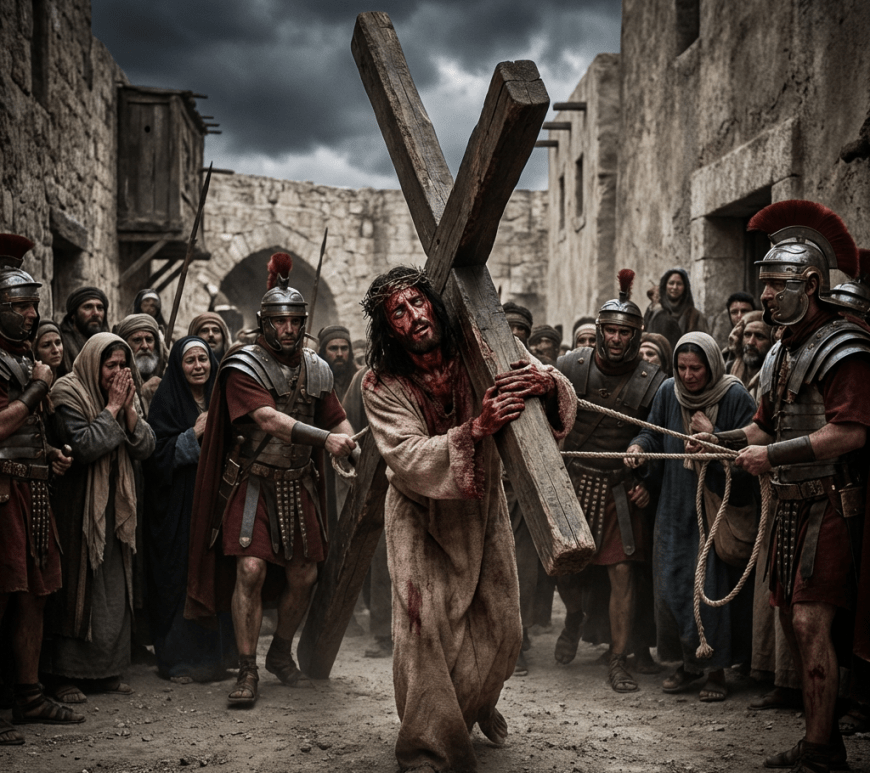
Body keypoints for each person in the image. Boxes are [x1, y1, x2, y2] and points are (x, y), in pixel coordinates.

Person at [360, 266, 577, 772]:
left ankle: (472, 707)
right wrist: (476, 428)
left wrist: (545, 382)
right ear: (388, 328)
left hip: (481, 507)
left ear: (433, 303)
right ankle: (426, 746)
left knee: (503, 627)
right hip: (419, 512)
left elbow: (552, 382)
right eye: (398, 312)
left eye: (417, 302)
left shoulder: (481, 345)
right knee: (424, 629)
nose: (414, 316)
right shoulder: (380, 383)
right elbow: (407, 454)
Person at [700, 201, 870, 772]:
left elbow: (850, 432)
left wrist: (768, 455)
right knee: (794, 624)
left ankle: (821, 750)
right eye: (765, 284)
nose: (766, 295)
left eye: (777, 284)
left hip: (834, 505)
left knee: (811, 623)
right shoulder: (778, 350)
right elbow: (763, 427)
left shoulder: (845, 346)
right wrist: (720, 441)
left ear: (812, 284)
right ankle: (822, 740)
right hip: (792, 507)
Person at [185, 252, 355, 707]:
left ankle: (280, 652)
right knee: (251, 569)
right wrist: (328, 440)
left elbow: (335, 417)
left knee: (304, 574)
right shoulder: (243, 365)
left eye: (296, 321)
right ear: (265, 323)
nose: (289, 329)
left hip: (298, 483)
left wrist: (351, 443)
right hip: (253, 481)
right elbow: (267, 419)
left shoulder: (317, 367)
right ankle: (247, 669)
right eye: (280, 321)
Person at [626, 332, 756, 702]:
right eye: (681, 367)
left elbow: (751, 452)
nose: (688, 375)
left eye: (695, 368)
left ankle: (716, 670)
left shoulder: (735, 396)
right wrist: (638, 447)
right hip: (674, 506)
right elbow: (653, 433)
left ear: (711, 365)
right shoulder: (669, 391)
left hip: (716, 506)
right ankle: (686, 663)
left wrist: (714, 437)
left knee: (710, 588)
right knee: (673, 586)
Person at [556, 270, 666, 691]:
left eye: (625, 332)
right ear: (600, 331)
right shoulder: (570, 366)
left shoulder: (652, 381)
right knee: (564, 570)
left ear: (636, 335)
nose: (617, 339)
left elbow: (657, 434)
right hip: (576, 481)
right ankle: (574, 617)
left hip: (620, 487)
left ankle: (618, 660)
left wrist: (645, 472)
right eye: (610, 330)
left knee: (622, 572)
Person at [42, 333, 155, 704]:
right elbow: (84, 446)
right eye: (111, 365)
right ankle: (63, 675)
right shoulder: (67, 393)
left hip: (113, 509)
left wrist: (129, 410)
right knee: (75, 589)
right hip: (76, 507)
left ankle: (105, 670)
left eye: (124, 365)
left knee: (112, 590)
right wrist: (112, 408)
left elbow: (145, 447)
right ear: (93, 364)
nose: (119, 373)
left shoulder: (124, 397)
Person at [0, 235, 82, 745]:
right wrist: (37, 387)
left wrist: (47, 452)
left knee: (34, 594)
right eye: (20, 307)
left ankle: (28, 695)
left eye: (33, 306)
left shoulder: (21, 357)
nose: (31, 316)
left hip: (31, 488)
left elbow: (23, 431)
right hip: (2, 494)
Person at [144, 337, 236, 683]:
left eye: (203, 359)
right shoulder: (165, 401)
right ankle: (178, 661)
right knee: (179, 578)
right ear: (178, 367)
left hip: (215, 503)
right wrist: (192, 434)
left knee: (215, 574)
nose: (198, 366)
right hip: (177, 510)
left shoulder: (221, 397)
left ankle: (215, 659)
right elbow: (154, 456)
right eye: (190, 361)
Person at [644, 268, 706, 350]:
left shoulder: (695, 316)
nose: (675, 287)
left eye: (679, 284)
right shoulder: (655, 312)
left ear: (685, 287)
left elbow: (702, 346)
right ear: (665, 285)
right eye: (671, 283)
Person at [116, 313, 165, 414]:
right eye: (137, 340)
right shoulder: (116, 383)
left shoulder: (168, 378)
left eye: (149, 340)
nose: (145, 346)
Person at [58, 287, 110, 377]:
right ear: (73, 315)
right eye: (88, 307)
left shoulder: (108, 342)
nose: (96, 313)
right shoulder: (61, 343)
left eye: (100, 308)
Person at [724, 310, 772, 402]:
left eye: (759, 336)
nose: (751, 342)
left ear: (771, 342)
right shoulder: (729, 369)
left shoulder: (776, 377)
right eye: (747, 334)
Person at [317, 325, 358, 403]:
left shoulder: (360, 379)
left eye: (344, 348)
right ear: (323, 352)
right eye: (333, 348)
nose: (340, 354)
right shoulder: (314, 381)